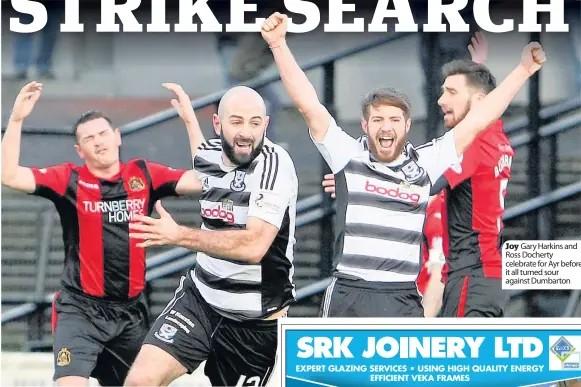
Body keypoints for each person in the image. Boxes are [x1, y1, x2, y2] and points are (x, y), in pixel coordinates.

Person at [261, 11, 546, 317]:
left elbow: (478, 119)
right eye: (378, 119)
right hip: (350, 294)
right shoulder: (347, 155)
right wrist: (278, 45)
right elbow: (308, 105)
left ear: (408, 125)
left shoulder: (426, 163)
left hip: (403, 297)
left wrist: (523, 70)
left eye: (394, 119)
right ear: (364, 125)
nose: (386, 127)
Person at [0, 81, 205, 387]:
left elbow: (205, 180)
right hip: (80, 310)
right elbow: (9, 175)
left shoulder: (144, 174)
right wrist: (15, 121)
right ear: (79, 150)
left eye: (103, 133)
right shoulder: (68, 179)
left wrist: (190, 121)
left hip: (130, 312)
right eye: (89, 138)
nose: (98, 142)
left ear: (117, 137)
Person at [123, 86, 298, 387]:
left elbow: (255, 245)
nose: (246, 132)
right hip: (200, 303)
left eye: (255, 123)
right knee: (140, 381)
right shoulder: (211, 153)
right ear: (217, 125)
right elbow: (205, 164)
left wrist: (178, 235)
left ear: (266, 125)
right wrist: (191, 120)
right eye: (236, 122)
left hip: (254, 323)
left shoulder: (274, 166)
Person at [433, 58, 515, 318]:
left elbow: (424, 182)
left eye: (452, 92)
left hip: (471, 276)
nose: (441, 100)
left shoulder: (473, 144)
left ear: (480, 100)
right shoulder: (497, 138)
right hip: (486, 278)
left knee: (458, 360)